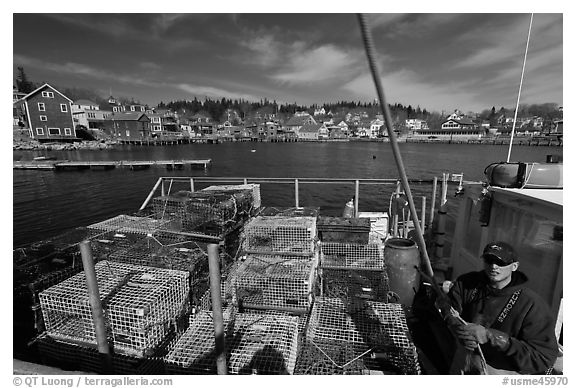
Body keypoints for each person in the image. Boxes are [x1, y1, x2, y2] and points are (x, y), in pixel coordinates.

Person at [443, 241, 559, 374]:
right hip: (462, 363)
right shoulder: (467, 283)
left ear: (514, 266)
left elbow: (542, 359)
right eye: (489, 260)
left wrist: (491, 336)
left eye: (501, 263)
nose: (493, 266)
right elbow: (448, 308)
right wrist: (460, 331)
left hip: (500, 372)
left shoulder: (531, 304)